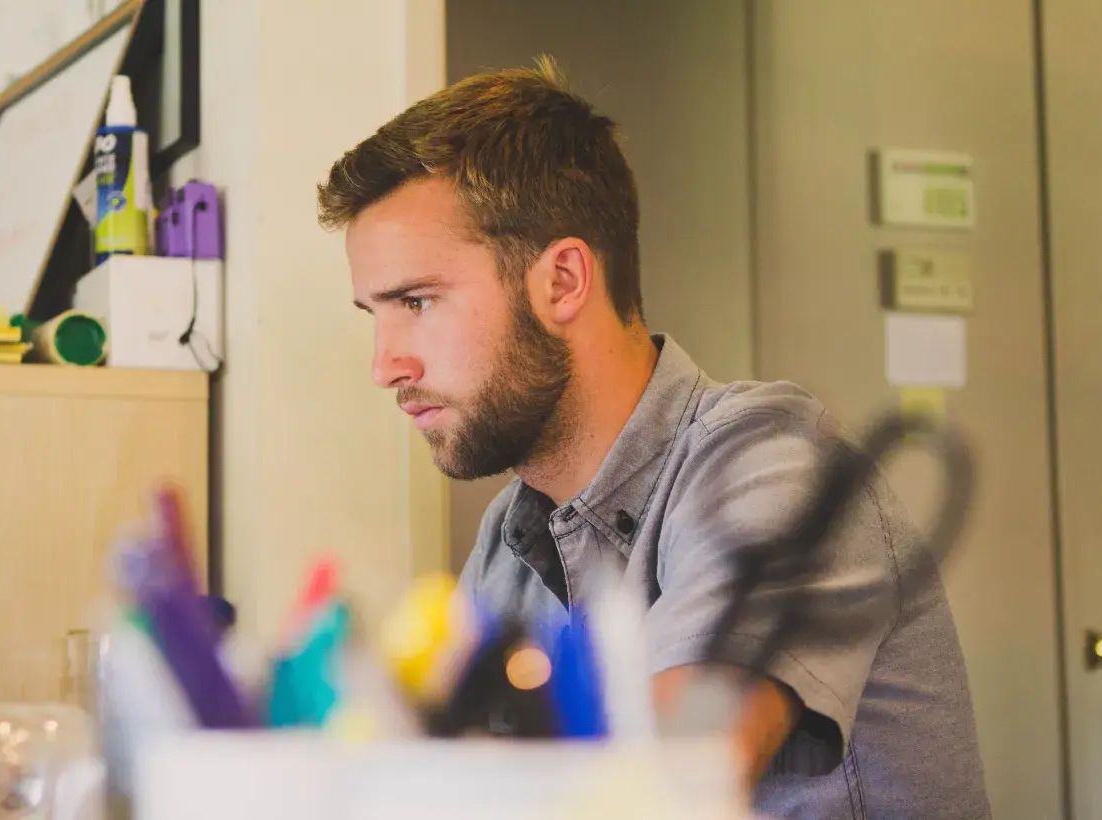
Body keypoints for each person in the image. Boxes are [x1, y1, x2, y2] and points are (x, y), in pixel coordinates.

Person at [318, 58, 991, 818]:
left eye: (416, 301)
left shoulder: (774, 461)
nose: (385, 365)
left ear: (564, 280)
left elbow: (672, 782)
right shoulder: (508, 546)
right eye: (373, 314)